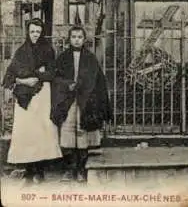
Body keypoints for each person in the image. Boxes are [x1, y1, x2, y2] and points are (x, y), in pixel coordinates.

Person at [2, 18, 62, 183]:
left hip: (42, 95)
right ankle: (29, 171)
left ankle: (39, 171)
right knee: (26, 133)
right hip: (24, 97)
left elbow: (51, 73)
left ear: (42, 32)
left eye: (38, 32)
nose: (35, 35)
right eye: (32, 32)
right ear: (27, 33)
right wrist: (24, 80)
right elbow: (10, 74)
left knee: (41, 132)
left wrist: (34, 74)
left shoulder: (48, 50)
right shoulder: (21, 51)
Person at [50, 26, 112, 182]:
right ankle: (69, 169)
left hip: (85, 101)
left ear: (84, 39)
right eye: (73, 37)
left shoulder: (90, 58)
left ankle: (81, 169)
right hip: (68, 100)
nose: (76, 39)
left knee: (82, 131)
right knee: (67, 130)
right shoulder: (63, 58)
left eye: (79, 37)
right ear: (69, 39)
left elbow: (98, 81)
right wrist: (67, 84)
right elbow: (55, 78)